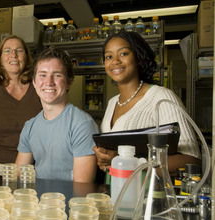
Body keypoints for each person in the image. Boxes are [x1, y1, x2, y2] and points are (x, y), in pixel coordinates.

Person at [93, 31, 201, 175]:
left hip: (151, 194)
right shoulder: (112, 103)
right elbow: (113, 159)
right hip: (119, 191)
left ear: (138, 57)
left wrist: (130, 163)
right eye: (108, 56)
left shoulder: (161, 97)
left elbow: (191, 160)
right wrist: (105, 161)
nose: (115, 61)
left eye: (123, 53)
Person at [15, 47, 98, 183]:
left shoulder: (82, 124)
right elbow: (19, 176)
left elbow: (81, 187)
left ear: (69, 82)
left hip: (70, 201)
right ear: (34, 82)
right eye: (42, 75)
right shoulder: (30, 126)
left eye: (57, 75)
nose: (49, 82)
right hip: (37, 200)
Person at [0, 35, 42, 163]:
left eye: (19, 50)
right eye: (7, 50)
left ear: (26, 57)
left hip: (31, 170)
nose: (13, 55)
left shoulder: (39, 89)